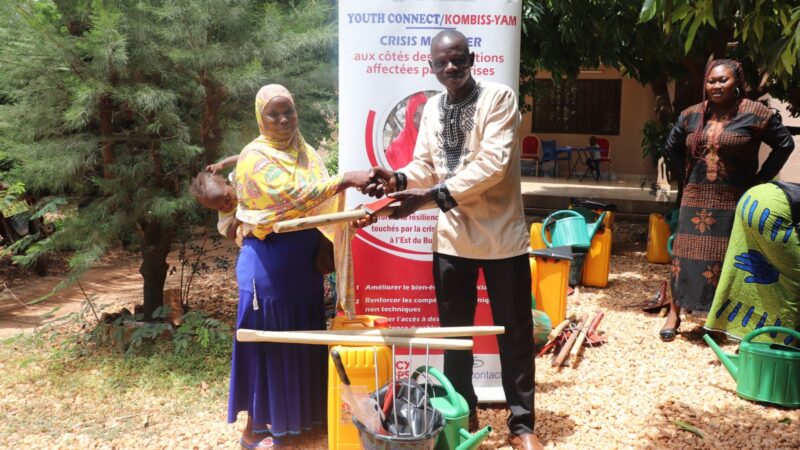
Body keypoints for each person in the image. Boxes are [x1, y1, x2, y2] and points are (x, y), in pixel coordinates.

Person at [363, 30, 543, 450]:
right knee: (455, 336)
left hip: (502, 238)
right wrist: (399, 179)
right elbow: (426, 164)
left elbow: (493, 166)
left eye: (458, 60)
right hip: (450, 240)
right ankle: (464, 411)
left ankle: (522, 426)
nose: (450, 68)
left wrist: (429, 196)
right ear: (431, 67)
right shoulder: (431, 107)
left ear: (472, 59)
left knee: (515, 333)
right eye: (442, 63)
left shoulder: (498, 98)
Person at [227, 84, 372, 449]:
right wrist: (347, 178)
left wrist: (349, 218)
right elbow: (295, 196)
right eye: (273, 114)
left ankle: (303, 421)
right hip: (268, 267)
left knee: (305, 336)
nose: (283, 120)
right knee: (272, 342)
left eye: (288, 111)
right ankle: (260, 426)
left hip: (303, 268)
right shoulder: (253, 157)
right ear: (261, 118)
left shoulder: (306, 153)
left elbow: (322, 206)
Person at [659, 59, 794, 341]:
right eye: (712, 81)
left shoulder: (755, 113)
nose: (717, 86)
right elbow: (670, 146)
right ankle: (675, 312)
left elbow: (785, 143)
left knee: (725, 259)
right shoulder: (691, 115)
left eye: (723, 80)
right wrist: (685, 176)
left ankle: (717, 320)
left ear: (738, 84)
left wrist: (761, 180)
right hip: (695, 197)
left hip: (734, 198)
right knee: (683, 256)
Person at [704, 181, 800, 345]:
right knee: (794, 283)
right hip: (775, 208)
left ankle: (753, 341)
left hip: (754, 196)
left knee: (752, 274)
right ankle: (781, 347)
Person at [190, 171, 240, 240]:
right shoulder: (225, 219)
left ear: (227, 182)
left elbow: (245, 160)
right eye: (221, 208)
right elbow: (230, 236)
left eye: (227, 199)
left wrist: (223, 164)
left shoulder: (239, 181)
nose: (227, 206)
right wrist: (236, 221)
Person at [384, 92, 427, 170]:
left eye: (424, 113)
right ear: (408, 116)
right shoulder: (395, 149)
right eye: (415, 115)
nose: (421, 120)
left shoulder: (437, 141)